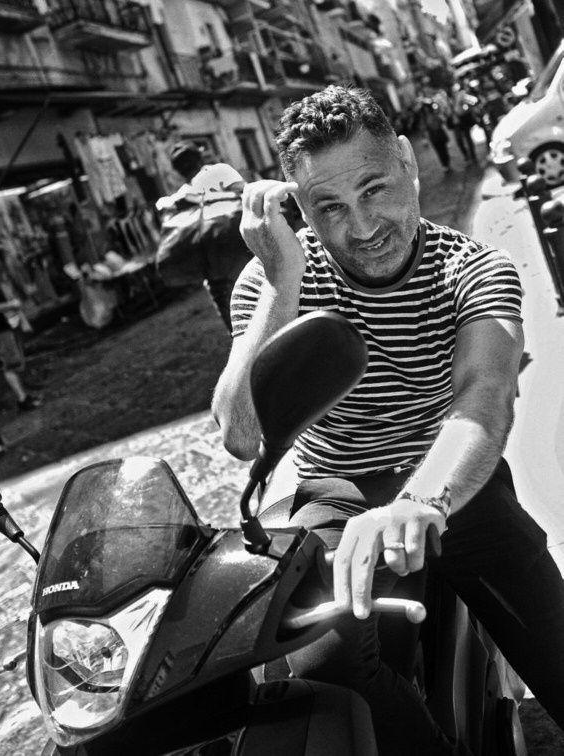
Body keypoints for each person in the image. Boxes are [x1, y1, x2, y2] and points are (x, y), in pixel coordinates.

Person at [212, 84, 564, 753]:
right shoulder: (271, 279)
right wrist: (282, 281)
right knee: (321, 668)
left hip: (456, 487)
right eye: (330, 207)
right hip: (336, 492)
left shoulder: (475, 269)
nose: (363, 226)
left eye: (374, 188)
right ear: (299, 208)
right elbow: (240, 435)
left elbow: (483, 398)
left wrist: (419, 501)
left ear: (406, 159)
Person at [156, 141, 251, 330]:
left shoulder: (182, 196)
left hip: (216, 275)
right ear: (200, 159)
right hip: (246, 252)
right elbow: (247, 193)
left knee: (239, 327)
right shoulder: (219, 171)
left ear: (178, 171)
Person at [0, 249, 41, 413]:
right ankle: (22, 400)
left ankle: (24, 394)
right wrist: (9, 305)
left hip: (6, 325)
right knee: (11, 364)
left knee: (16, 360)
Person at [419, 99, 452, 173]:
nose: (426, 110)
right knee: (439, 151)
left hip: (439, 133)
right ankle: (445, 165)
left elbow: (441, 121)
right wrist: (424, 137)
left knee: (444, 149)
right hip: (433, 135)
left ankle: (447, 162)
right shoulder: (424, 118)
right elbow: (423, 128)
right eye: (424, 109)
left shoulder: (435, 114)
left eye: (427, 108)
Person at [451, 83, 479, 163]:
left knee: (467, 138)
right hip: (456, 121)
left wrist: (466, 106)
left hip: (463, 119)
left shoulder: (461, 94)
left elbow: (473, 100)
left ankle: (472, 156)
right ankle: (468, 156)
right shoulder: (451, 97)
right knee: (460, 140)